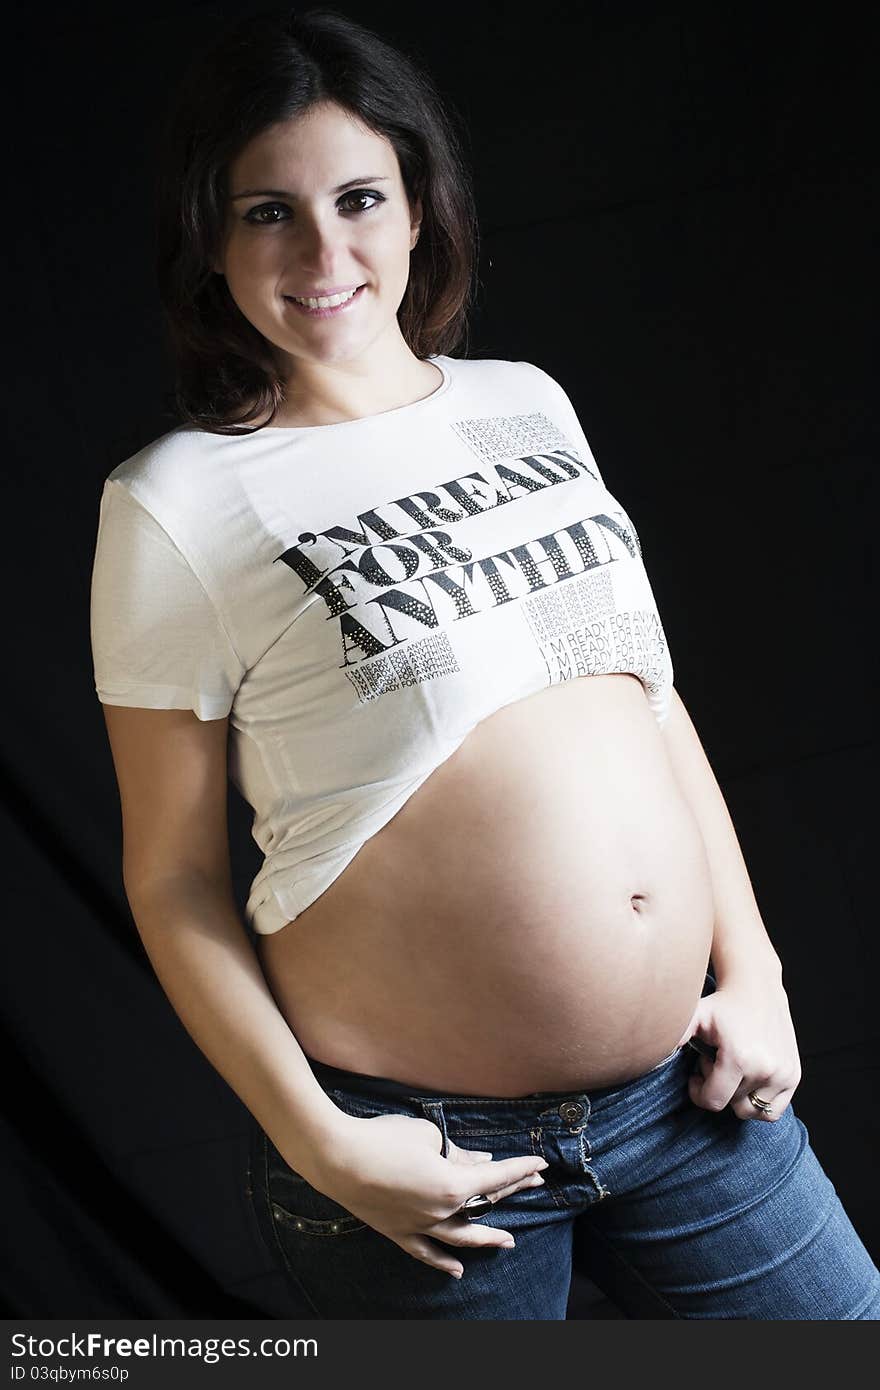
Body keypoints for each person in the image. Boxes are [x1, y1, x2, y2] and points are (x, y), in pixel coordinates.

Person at [89, 5, 880, 1319]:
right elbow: (171, 877)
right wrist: (319, 1138)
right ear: (208, 240)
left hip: (689, 1094)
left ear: (416, 206)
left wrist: (754, 972)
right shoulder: (176, 502)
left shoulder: (525, 401)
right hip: (427, 1150)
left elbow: (647, 705)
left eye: (358, 196)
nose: (324, 248)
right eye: (266, 211)